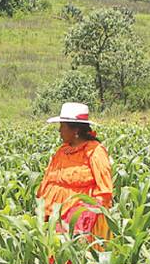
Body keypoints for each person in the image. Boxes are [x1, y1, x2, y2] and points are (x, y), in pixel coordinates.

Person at [37, 102, 112, 245]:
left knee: (73, 254)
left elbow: (104, 191)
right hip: (55, 215)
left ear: (75, 130)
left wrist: (83, 219)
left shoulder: (94, 152)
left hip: (80, 220)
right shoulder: (62, 151)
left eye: (63, 126)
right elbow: (48, 180)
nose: (59, 130)